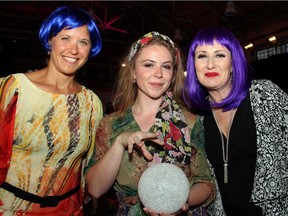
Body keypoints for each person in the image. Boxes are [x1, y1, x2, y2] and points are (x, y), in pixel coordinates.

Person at [85, 31, 215, 215]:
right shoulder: (111, 124)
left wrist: (181, 201)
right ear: (132, 72)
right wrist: (120, 143)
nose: (158, 74)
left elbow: (206, 183)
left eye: (166, 67)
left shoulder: (190, 122)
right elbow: (95, 189)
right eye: (148, 65)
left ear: (173, 74)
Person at [0, 6, 103, 215]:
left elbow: (88, 163)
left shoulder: (92, 103)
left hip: (70, 210)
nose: (73, 50)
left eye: (83, 42)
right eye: (65, 38)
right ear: (49, 41)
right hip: (11, 208)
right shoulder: (12, 89)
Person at [183, 26, 288, 216]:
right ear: (193, 66)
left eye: (220, 55)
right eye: (202, 56)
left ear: (233, 63)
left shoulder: (264, 95)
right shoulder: (198, 118)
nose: (210, 64)